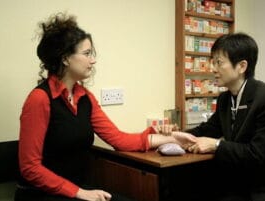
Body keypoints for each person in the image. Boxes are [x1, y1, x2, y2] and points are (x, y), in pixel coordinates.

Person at [16, 12, 196, 201]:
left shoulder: (85, 98)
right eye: (86, 54)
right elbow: (30, 168)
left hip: (75, 191)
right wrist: (80, 192)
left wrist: (174, 139)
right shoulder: (39, 99)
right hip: (42, 194)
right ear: (65, 58)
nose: (92, 60)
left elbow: (119, 140)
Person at [182, 33, 265, 201]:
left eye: (219, 62)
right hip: (244, 180)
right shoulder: (225, 98)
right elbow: (208, 129)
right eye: (212, 62)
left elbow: (256, 154)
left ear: (242, 66)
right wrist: (177, 136)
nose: (213, 69)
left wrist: (216, 145)